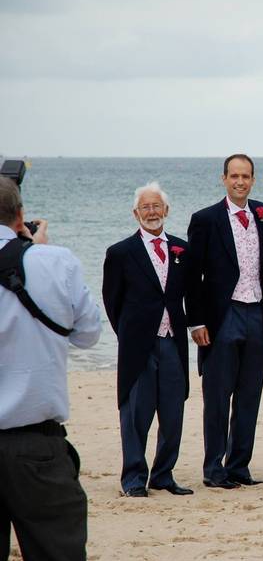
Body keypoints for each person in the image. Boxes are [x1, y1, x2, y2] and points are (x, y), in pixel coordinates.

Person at [0, 177, 101, 561]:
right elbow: (88, 333)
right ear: (21, 215)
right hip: (34, 445)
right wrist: (35, 254)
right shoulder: (55, 260)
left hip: (32, 442)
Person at [186, 154, 263, 489]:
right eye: (234, 176)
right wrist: (196, 322)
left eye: (246, 176)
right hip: (223, 316)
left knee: (249, 395)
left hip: (257, 313)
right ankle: (213, 467)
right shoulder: (205, 219)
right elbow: (193, 276)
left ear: (253, 180)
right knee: (219, 396)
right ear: (223, 179)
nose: (240, 182)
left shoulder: (262, 215)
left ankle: (239, 466)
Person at [103, 182, 192, 497]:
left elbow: (188, 295)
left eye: (157, 206)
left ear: (166, 210)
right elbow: (112, 302)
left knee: (173, 412)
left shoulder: (182, 249)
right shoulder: (120, 253)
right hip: (139, 345)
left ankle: (164, 475)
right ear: (135, 213)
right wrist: (130, 333)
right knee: (136, 413)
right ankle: (134, 479)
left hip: (173, 342)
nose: (152, 212)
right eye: (146, 207)